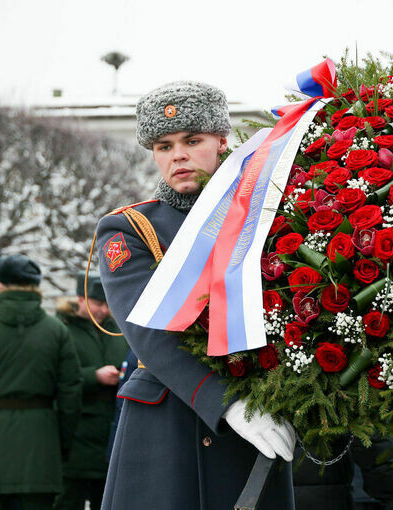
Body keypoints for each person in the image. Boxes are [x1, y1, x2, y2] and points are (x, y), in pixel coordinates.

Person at [97, 81, 296, 509]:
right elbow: (149, 332)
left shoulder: (265, 212)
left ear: (222, 142)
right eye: (164, 146)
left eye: (192, 140)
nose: (178, 155)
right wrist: (227, 404)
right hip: (166, 428)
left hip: (261, 413)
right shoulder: (130, 228)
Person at [0, 255, 82, 510]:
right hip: (41, 450)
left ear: (0, 286)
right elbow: (70, 393)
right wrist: (62, 443)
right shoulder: (56, 331)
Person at [53, 272, 128, 510]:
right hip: (76, 432)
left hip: (109, 432)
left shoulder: (117, 330)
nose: (103, 310)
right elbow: (53, 375)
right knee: (68, 499)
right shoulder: (62, 330)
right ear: (80, 299)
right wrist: (92, 376)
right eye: (97, 303)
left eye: (107, 304)